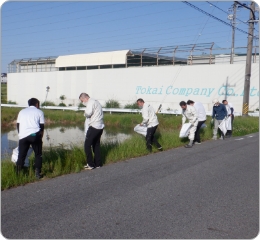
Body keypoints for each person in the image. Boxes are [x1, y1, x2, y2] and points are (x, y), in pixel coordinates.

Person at [16, 98, 44, 179]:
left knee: (21, 155)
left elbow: (18, 124)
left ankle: (18, 175)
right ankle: (37, 174)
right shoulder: (39, 112)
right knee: (38, 154)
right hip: (34, 135)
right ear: (37, 104)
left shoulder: (22, 111)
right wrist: (40, 137)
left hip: (23, 136)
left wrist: (20, 134)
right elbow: (41, 126)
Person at [79, 93, 104, 170]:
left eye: (82, 101)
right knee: (96, 145)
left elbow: (88, 113)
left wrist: (85, 114)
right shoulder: (96, 102)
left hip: (94, 126)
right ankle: (98, 164)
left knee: (87, 146)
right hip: (100, 127)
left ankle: (90, 164)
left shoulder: (90, 102)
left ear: (85, 98)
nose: (82, 102)